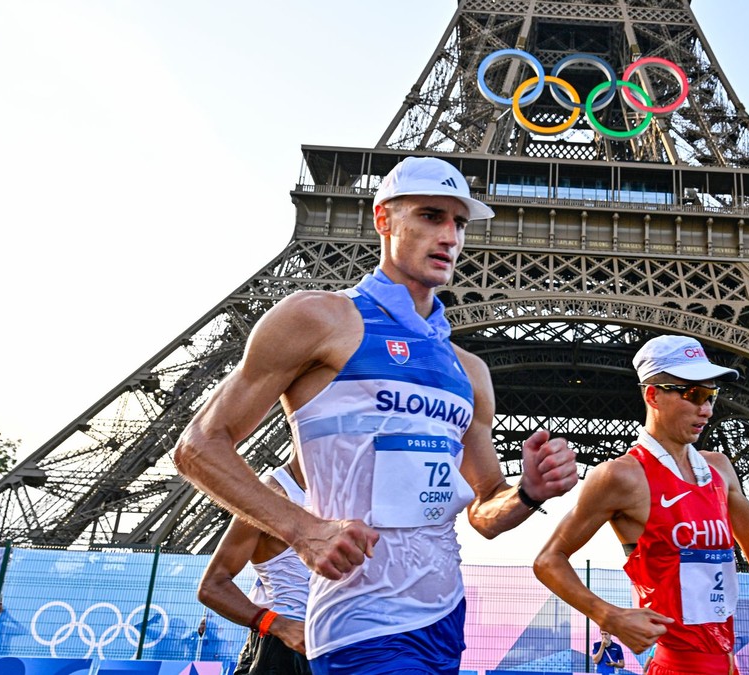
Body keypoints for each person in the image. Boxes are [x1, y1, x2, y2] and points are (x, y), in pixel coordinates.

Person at [174, 155, 578, 675]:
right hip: (362, 618)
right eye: (432, 216)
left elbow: (483, 512)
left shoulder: (469, 369)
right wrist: (303, 530)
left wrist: (528, 492)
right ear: (383, 219)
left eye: (459, 222)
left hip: (445, 618)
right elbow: (198, 446)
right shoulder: (319, 318)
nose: (450, 235)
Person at [533, 334, 749, 675]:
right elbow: (547, 560)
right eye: (694, 395)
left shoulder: (719, 468)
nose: (706, 408)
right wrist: (609, 615)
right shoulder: (620, 477)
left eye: (712, 395)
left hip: (729, 666)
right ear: (653, 395)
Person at [197, 454, 311, 675]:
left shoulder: (337, 492)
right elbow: (212, 586)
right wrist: (277, 625)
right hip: (286, 646)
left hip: (328, 642)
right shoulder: (271, 493)